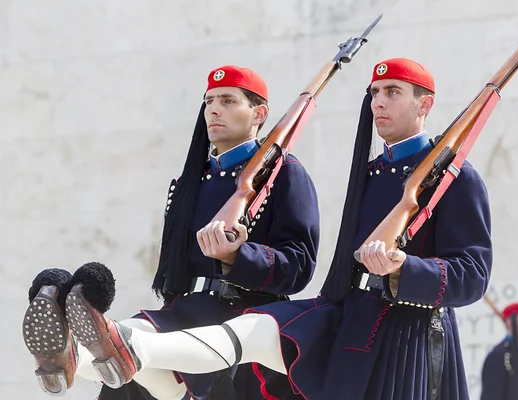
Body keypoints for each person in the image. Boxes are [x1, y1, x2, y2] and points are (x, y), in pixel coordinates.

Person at [58, 57, 493, 400]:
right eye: (375, 92)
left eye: (392, 92)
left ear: (425, 104)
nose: (378, 102)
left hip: (406, 330)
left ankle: (113, 350)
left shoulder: (457, 178)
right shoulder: (374, 172)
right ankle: (82, 355)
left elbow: (473, 272)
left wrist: (404, 266)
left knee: (250, 330)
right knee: (262, 328)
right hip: (350, 311)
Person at [22, 64, 320, 400]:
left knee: (138, 348)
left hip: (241, 313)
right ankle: (68, 352)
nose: (214, 110)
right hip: (182, 311)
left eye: (228, 100)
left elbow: (298, 265)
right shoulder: (188, 184)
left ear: (259, 113)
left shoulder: (286, 175)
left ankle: (83, 351)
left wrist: (238, 256)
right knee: (125, 338)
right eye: (208, 101)